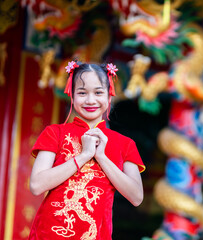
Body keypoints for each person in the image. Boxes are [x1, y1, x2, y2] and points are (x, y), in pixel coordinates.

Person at [28, 61, 145, 240]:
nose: (90, 100)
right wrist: (83, 156)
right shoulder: (55, 133)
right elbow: (36, 185)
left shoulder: (125, 144)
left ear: (109, 96)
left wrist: (101, 156)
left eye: (98, 92)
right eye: (82, 93)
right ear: (72, 96)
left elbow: (136, 197)